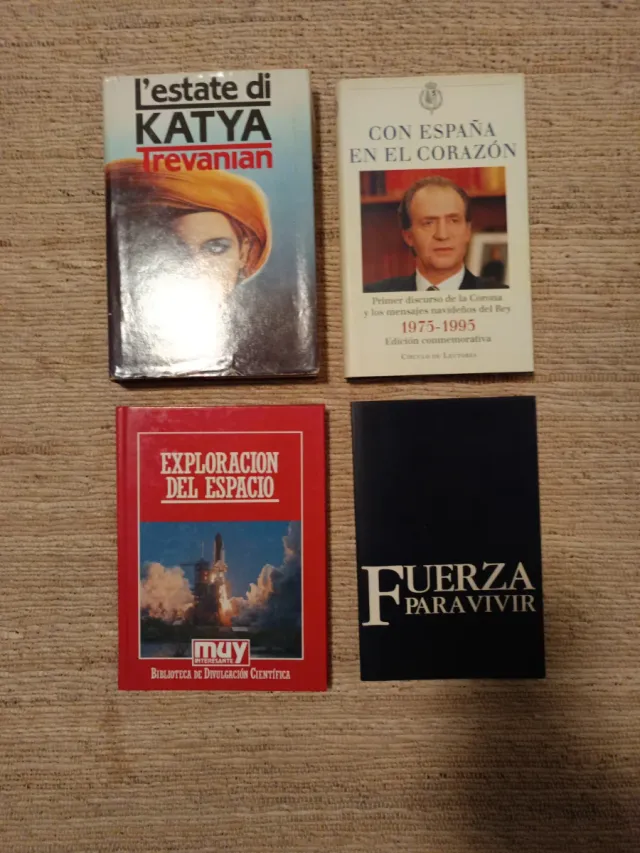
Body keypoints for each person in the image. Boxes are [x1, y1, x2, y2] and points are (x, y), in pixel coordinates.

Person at [106, 158, 273, 376]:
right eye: (175, 250)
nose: (197, 268)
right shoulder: (128, 341)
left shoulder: (267, 347)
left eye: (215, 248)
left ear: (244, 252)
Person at [365, 175, 508, 292]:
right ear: (408, 237)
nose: (442, 235)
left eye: (453, 221)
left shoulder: (501, 295)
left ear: (467, 231)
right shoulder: (375, 295)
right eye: (428, 223)